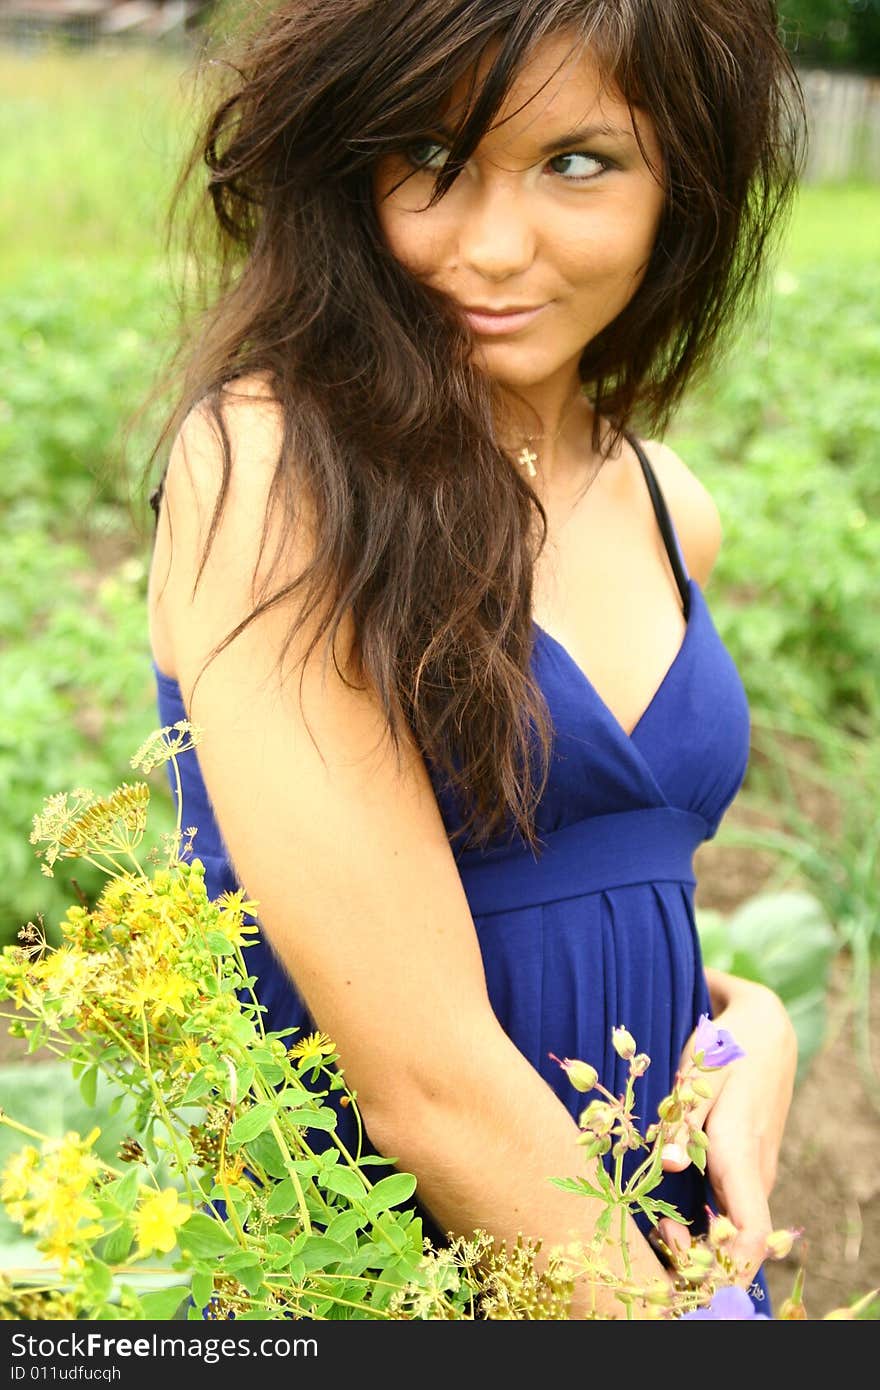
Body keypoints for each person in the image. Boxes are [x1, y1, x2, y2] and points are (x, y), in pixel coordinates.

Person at [146, 0, 803, 1318]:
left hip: (660, 1243)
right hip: (398, 1264)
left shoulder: (672, 507)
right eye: (428, 157)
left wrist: (750, 1017)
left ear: (688, 179)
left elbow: (585, 894)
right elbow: (427, 1086)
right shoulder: (273, 472)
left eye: (579, 162)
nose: (492, 248)